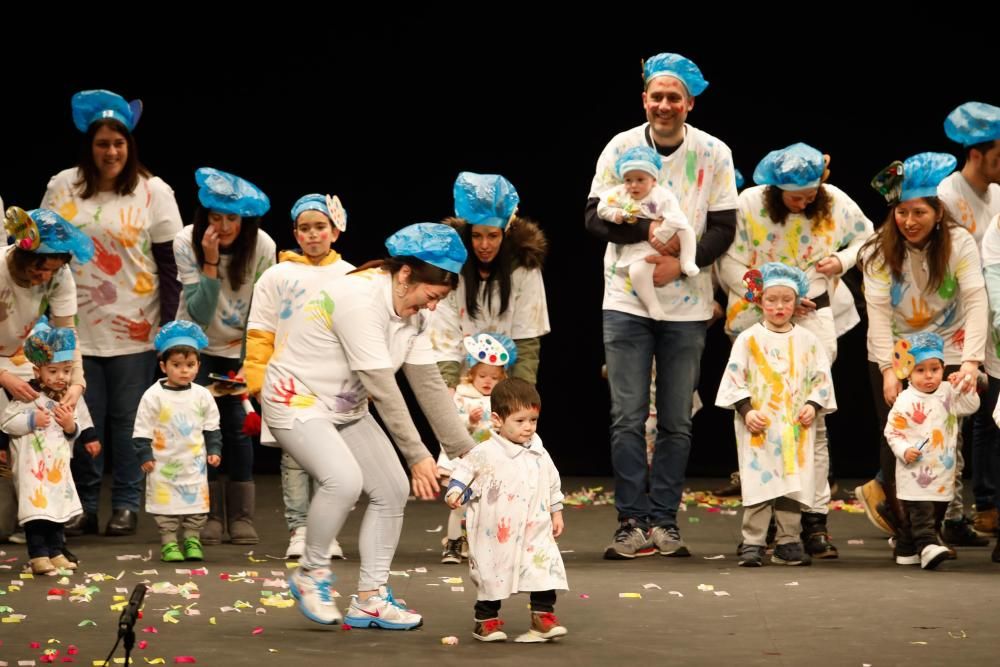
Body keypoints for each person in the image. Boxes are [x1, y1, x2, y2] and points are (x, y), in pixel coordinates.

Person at [247, 222, 477, 628]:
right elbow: (384, 389)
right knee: (343, 479)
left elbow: (429, 385)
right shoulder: (360, 298)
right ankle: (311, 572)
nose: (432, 307)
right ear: (405, 275)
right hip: (295, 398)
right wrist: (418, 455)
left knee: (392, 489)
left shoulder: (414, 315)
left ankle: (370, 599)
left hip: (345, 407)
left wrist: (472, 455)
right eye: (432, 295)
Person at [585, 52, 738, 559]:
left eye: (675, 97)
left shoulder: (714, 152)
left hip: (689, 304)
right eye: (657, 96)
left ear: (690, 102)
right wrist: (644, 231)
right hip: (625, 299)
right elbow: (593, 218)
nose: (665, 105)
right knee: (627, 416)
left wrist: (680, 265)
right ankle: (630, 521)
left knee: (677, 420)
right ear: (644, 99)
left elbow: (723, 227)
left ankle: (664, 520)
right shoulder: (620, 147)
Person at [718, 143, 873, 558]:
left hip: (815, 320)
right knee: (763, 422)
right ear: (774, 189)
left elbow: (867, 237)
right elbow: (727, 260)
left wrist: (841, 261)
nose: (804, 202)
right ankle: (766, 523)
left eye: (809, 194)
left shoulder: (835, 201)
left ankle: (813, 520)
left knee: (812, 423)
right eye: (794, 196)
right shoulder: (750, 204)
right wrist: (770, 296)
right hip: (759, 318)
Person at [43, 89, 183, 537]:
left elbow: (170, 264)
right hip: (72, 327)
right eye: (103, 143)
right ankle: (82, 504)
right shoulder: (62, 185)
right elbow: (42, 250)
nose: (111, 151)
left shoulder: (153, 191)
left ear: (130, 146)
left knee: (126, 423)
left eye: (118, 143)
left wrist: (170, 327)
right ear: (90, 146)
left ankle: (125, 503)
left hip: (136, 327)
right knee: (81, 419)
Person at [859, 152, 988, 557]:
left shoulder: (959, 243)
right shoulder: (879, 250)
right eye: (902, 212)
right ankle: (909, 535)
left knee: (943, 439)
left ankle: (929, 532)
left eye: (919, 212)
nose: (909, 221)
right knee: (898, 437)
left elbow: (976, 298)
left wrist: (970, 361)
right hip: (895, 349)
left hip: (949, 343)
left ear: (937, 212)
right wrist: (887, 371)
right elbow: (878, 314)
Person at [242, 192, 352, 560]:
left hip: (334, 384)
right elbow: (260, 331)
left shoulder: (351, 276)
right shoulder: (278, 276)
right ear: (295, 232)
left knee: (331, 459)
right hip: (288, 382)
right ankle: (300, 528)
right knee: (295, 459)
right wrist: (257, 380)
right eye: (304, 228)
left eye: (320, 226)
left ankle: (326, 528)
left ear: (335, 230)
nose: (313, 234)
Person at [174, 168, 275, 546]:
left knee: (237, 429)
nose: (224, 225)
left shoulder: (263, 245)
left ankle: (242, 516)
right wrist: (211, 262)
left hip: (239, 348)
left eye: (232, 218)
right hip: (195, 349)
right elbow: (199, 313)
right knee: (202, 431)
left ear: (244, 219)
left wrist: (249, 366)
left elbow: (262, 311)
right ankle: (209, 515)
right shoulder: (186, 240)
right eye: (216, 217)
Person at [716, 263, 835, 567]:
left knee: (792, 484)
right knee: (759, 483)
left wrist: (813, 405)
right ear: (760, 301)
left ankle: (788, 540)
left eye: (786, 299)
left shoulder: (807, 340)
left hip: (795, 428)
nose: (779, 306)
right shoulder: (749, 339)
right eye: (772, 299)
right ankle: (754, 540)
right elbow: (734, 378)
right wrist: (746, 410)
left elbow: (820, 378)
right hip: (760, 427)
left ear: (797, 302)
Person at [0, 207, 97, 552]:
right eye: (40, 267)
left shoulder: (59, 276)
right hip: (4, 365)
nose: (45, 276)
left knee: (40, 438)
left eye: (53, 269)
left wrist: (76, 385)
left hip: (20, 358)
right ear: (24, 255)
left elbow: (66, 336)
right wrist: (3, 376)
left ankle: (47, 532)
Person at [446, 378, 567, 643]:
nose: (528, 427)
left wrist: (556, 511)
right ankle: (486, 621)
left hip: (535, 527)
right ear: (498, 420)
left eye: (532, 420)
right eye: (520, 421)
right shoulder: (486, 452)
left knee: (543, 569)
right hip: (496, 531)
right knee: (492, 574)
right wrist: (456, 492)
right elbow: (466, 474)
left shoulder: (539, 452)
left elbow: (552, 482)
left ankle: (543, 617)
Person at [939, 102, 1000, 543]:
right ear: (977, 152)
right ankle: (946, 511)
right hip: (952, 318)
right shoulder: (947, 194)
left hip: (990, 315)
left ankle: (980, 506)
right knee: (953, 417)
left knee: (986, 413)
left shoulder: (998, 193)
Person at [432, 172, 549, 387]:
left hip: (505, 380)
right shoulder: (450, 270)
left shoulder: (524, 268)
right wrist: (449, 387)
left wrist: (521, 392)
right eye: (477, 236)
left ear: (504, 234)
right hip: (462, 381)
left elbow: (527, 337)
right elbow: (444, 335)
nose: (484, 245)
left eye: (492, 236)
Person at [0, 319, 97, 575]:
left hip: (57, 467)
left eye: (66, 371)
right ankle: (38, 554)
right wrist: (32, 420)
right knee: (36, 511)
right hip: (33, 468)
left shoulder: (65, 399)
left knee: (56, 509)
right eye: (52, 372)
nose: (60, 378)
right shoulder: (29, 397)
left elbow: (74, 430)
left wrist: (69, 426)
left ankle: (56, 551)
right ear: (37, 372)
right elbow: (7, 422)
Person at [885, 332, 979, 570]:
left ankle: (906, 549)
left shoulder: (948, 391)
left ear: (943, 368)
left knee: (934, 510)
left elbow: (971, 406)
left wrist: (964, 386)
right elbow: (893, 431)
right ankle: (927, 547)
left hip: (942, 469)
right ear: (908, 372)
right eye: (920, 370)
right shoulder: (905, 399)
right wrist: (904, 450)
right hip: (915, 470)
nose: (929, 376)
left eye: (934, 369)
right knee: (922, 513)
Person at [133, 321, 221, 562]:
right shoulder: (153, 395)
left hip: (193, 463)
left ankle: (192, 538)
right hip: (163, 463)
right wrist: (145, 455)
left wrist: (214, 449)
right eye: (177, 365)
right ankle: (169, 542)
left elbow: (212, 426)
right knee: (166, 507)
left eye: (190, 365)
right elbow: (142, 429)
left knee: (196, 505)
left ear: (198, 366)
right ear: (163, 366)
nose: (184, 371)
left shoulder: (202, 395)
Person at [438, 332, 517, 564]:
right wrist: (470, 421)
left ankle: (483, 544)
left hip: (492, 461)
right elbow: (450, 425)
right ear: (471, 374)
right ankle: (453, 543)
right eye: (482, 375)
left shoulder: (503, 399)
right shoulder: (463, 396)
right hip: (466, 459)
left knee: (490, 506)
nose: (487, 381)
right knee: (459, 503)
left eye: (493, 377)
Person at [597, 145, 699, 320]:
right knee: (636, 271)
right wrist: (617, 215)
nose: (633, 185)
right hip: (640, 248)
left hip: (669, 236)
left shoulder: (662, 196)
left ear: (653, 180)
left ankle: (687, 261)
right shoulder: (620, 193)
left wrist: (661, 234)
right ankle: (653, 306)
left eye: (640, 179)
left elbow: (677, 218)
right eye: (628, 180)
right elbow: (600, 208)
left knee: (687, 230)